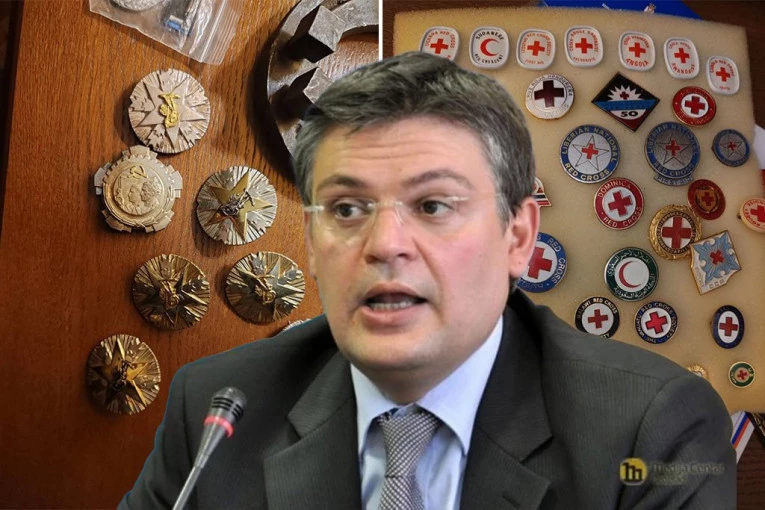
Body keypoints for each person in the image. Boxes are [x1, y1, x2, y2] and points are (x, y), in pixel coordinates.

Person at [120, 52, 735, 509]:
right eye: (346, 209)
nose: (385, 244)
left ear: (518, 237)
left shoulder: (653, 430)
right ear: (309, 242)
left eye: (434, 205)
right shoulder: (217, 408)